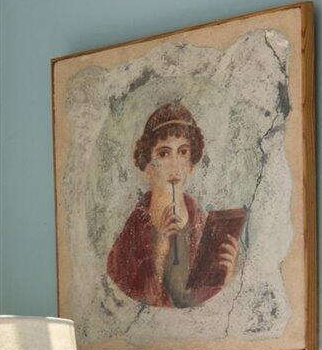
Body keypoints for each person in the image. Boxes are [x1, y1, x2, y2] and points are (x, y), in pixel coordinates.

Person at [103, 99, 246, 309]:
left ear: (191, 165)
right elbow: (132, 300)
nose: (175, 164)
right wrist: (159, 252)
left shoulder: (203, 225)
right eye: (164, 153)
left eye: (183, 152)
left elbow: (202, 303)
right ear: (148, 166)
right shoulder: (134, 230)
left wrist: (225, 279)